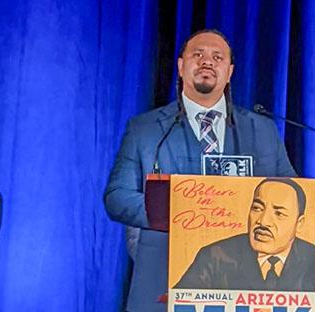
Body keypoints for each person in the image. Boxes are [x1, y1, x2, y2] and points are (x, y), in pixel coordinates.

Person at [104, 29, 296, 311]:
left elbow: (291, 190)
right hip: (163, 280)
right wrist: (179, 208)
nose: (207, 61)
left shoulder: (263, 129)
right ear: (181, 66)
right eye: (198, 55)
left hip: (244, 286)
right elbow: (116, 197)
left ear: (229, 72)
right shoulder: (144, 129)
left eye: (217, 57)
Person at [175, 178, 315, 291]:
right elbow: (180, 303)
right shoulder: (215, 255)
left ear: (299, 223)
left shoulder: (313, 259)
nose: (263, 221)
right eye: (257, 208)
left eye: (279, 213)